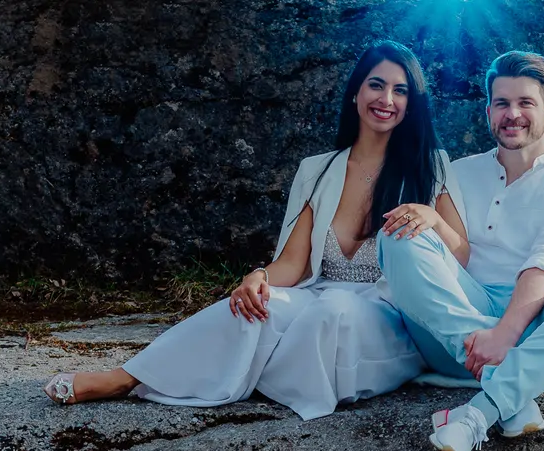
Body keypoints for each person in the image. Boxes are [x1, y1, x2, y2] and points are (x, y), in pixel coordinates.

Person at [43, 41, 470, 421]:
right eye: (377, 85)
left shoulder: (429, 166)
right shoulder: (317, 170)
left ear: (411, 105)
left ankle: (258, 376)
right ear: (356, 91)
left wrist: (432, 219)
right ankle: (125, 378)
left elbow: (462, 255)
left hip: (388, 316)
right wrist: (259, 277)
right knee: (254, 308)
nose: (386, 99)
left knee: (332, 311)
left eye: (400, 91)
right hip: (320, 292)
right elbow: (293, 262)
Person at [378, 50, 544, 451]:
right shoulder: (457, 172)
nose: (513, 114)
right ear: (488, 110)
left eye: (525, 103)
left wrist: (504, 336)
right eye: (502, 103)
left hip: (531, 329)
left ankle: (480, 412)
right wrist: (430, 219)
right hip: (453, 332)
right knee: (400, 233)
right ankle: (508, 388)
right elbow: (432, 259)